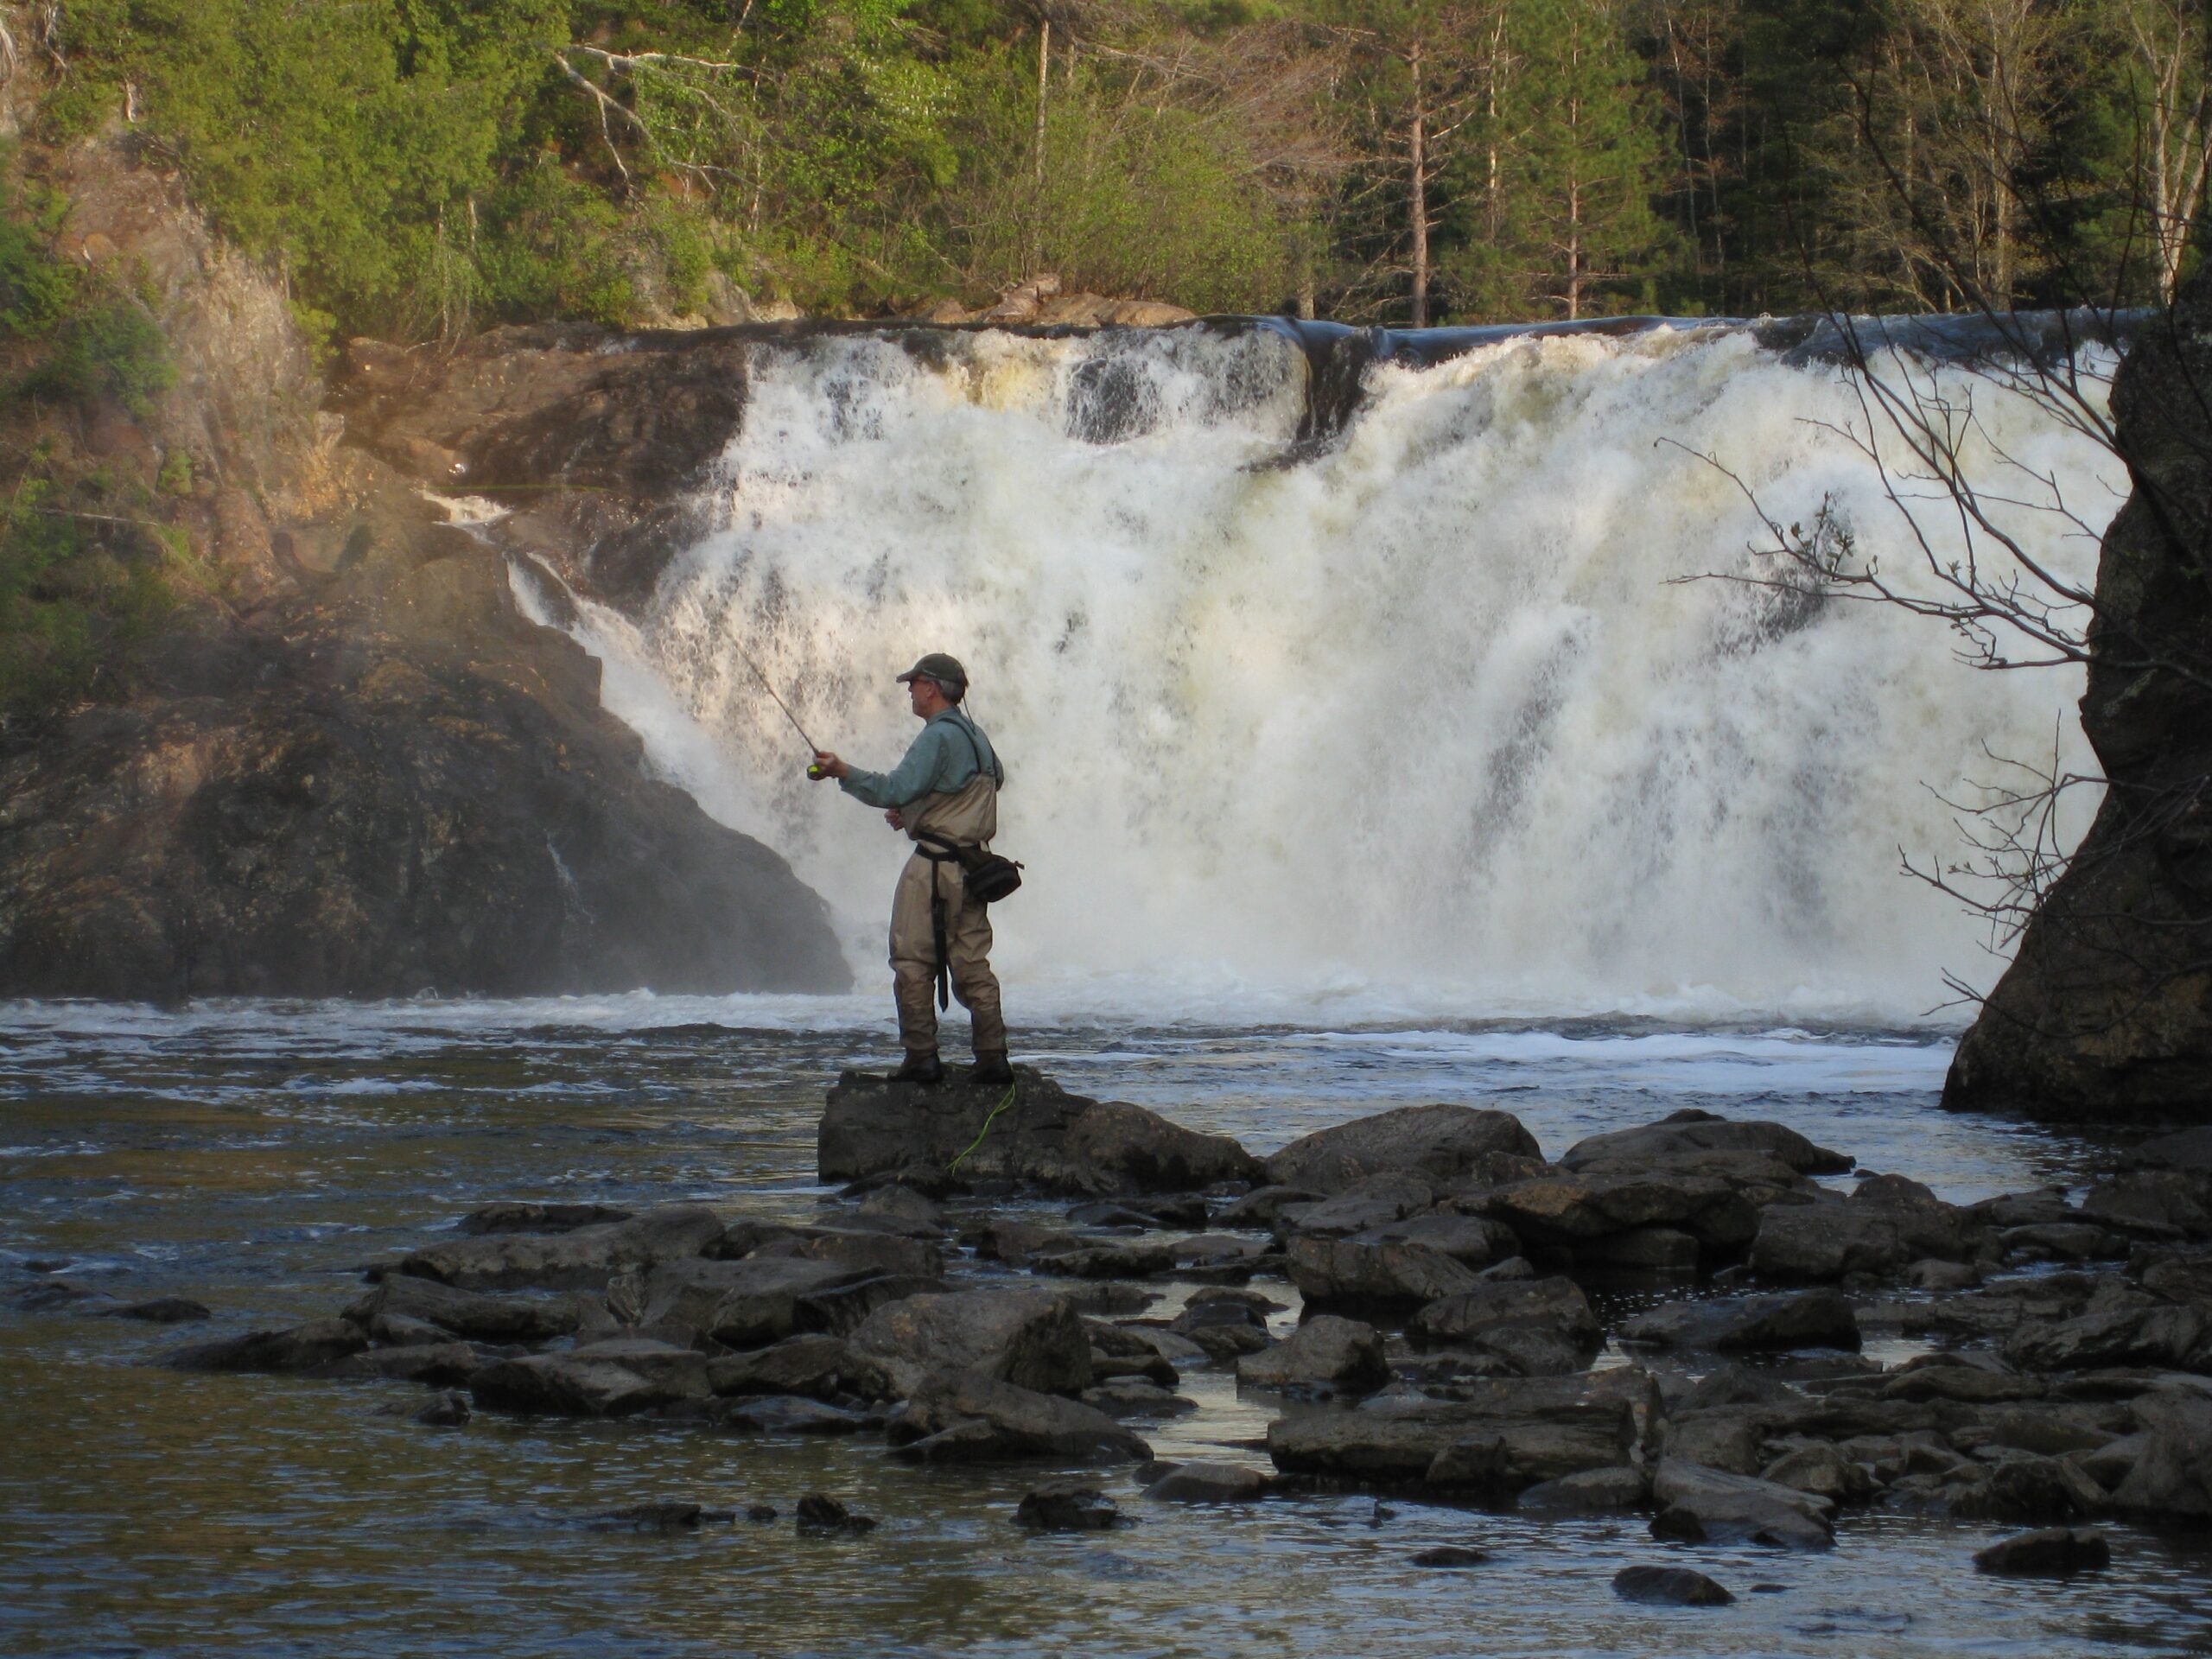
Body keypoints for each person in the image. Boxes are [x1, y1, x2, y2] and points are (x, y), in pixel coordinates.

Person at [810, 652, 1012, 1086]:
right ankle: (993, 1058)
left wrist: (842, 771)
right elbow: (983, 785)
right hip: (973, 869)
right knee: (973, 964)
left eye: (914, 682)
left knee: (912, 960)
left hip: (933, 871)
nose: (909, 690)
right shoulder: (976, 736)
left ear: (932, 688)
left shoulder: (937, 737)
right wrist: (920, 809)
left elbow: (892, 787)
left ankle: (922, 1058)